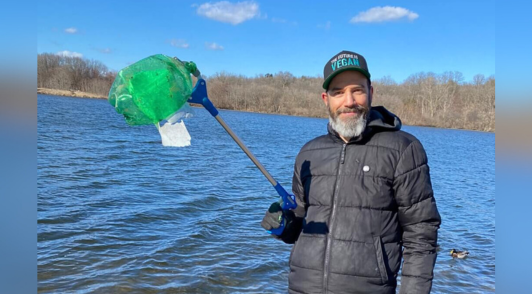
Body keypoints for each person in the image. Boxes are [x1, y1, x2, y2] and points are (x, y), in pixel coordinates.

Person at [261, 50, 441, 294]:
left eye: (357, 90)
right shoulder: (309, 153)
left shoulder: (404, 149)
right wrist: (283, 226)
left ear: (370, 93)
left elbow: (421, 236)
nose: (349, 101)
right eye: (338, 92)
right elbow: (301, 226)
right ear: (326, 98)